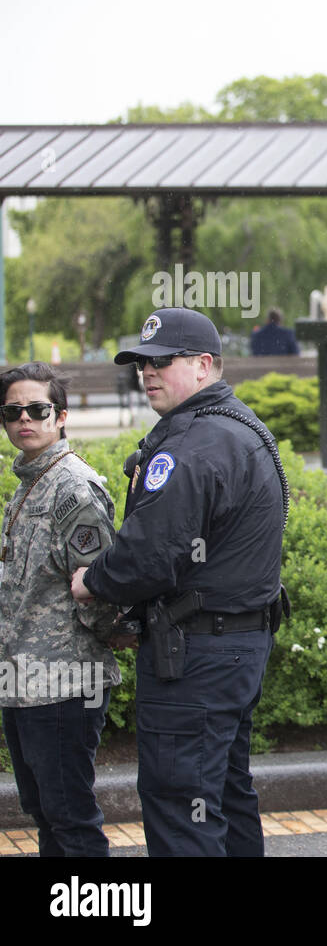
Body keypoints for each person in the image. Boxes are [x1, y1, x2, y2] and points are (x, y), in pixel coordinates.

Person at [70, 307, 289, 857]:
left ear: (204, 364)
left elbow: (147, 557)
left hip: (197, 655)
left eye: (163, 361)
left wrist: (92, 581)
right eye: (141, 363)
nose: (148, 372)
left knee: (180, 803)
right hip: (235, 645)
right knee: (224, 793)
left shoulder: (192, 444)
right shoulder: (238, 427)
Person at [0, 363, 122, 856]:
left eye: (37, 409)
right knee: (46, 814)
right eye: (12, 411)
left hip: (64, 684)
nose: (24, 419)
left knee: (70, 818)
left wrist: (109, 633)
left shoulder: (72, 488)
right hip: (22, 681)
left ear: (62, 416)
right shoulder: (29, 484)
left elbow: (101, 588)